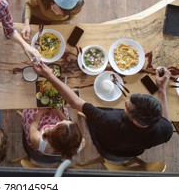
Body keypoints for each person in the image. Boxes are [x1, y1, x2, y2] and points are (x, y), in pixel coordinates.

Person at [33, 61, 173, 158]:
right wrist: (161, 89)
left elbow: (75, 102)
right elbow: (166, 120)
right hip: (132, 152)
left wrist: (50, 76)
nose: (125, 100)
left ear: (135, 120)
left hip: (106, 147)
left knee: (98, 106)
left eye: (127, 106)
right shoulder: (166, 129)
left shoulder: (108, 120)